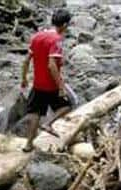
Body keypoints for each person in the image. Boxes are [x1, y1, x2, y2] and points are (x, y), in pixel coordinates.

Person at [20, 8, 73, 152]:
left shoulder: (37, 36)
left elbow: (26, 60)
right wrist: (61, 86)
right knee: (67, 105)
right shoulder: (56, 40)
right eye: (68, 25)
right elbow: (51, 65)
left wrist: (24, 78)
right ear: (64, 25)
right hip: (50, 86)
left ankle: (28, 144)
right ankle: (48, 124)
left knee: (36, 113)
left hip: (37, 84)